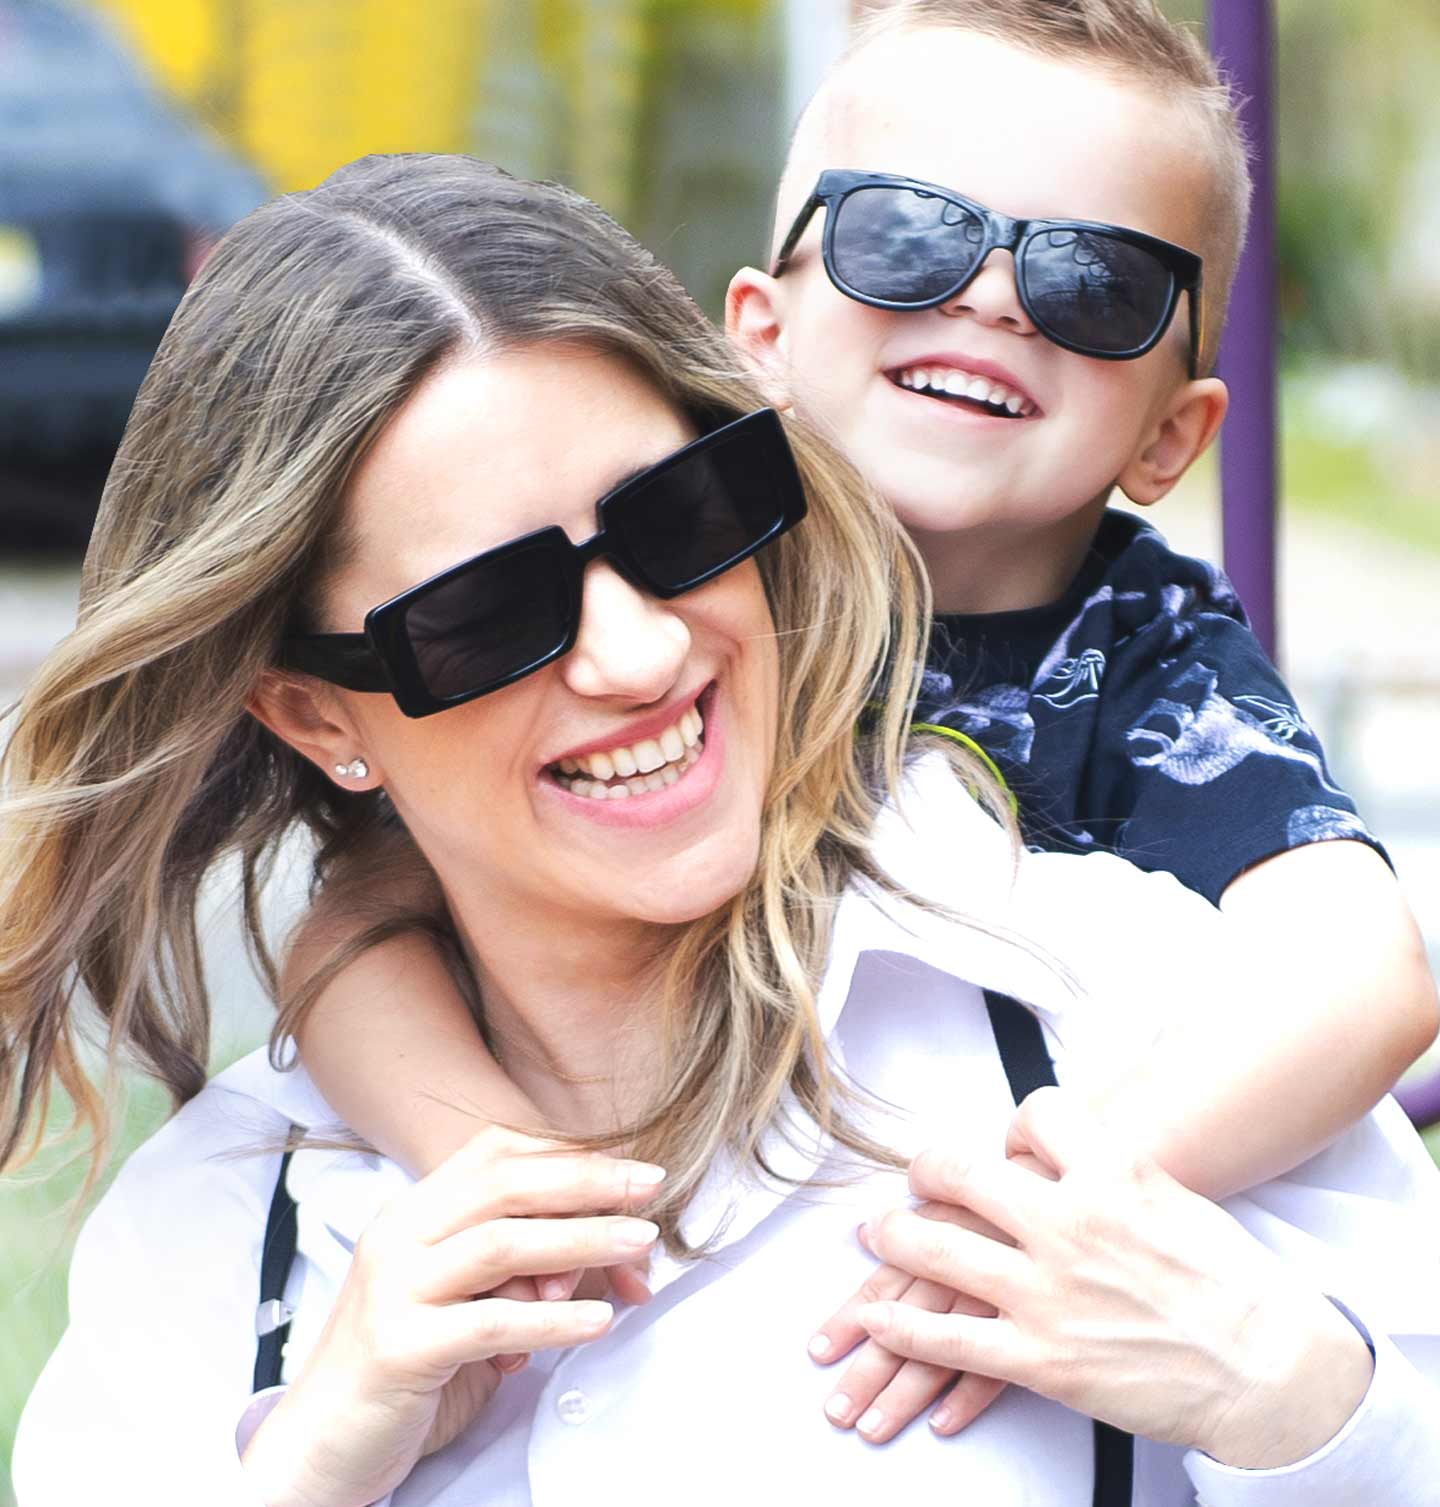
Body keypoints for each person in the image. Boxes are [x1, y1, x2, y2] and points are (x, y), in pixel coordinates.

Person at [6, 153, 1440, 1507]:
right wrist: (311, 1463)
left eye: (681, 516)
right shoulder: (220, 1236)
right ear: (319, 719)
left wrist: (1292, 1397)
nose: (636, 657)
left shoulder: (1126, 1013)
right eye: (488, 615)